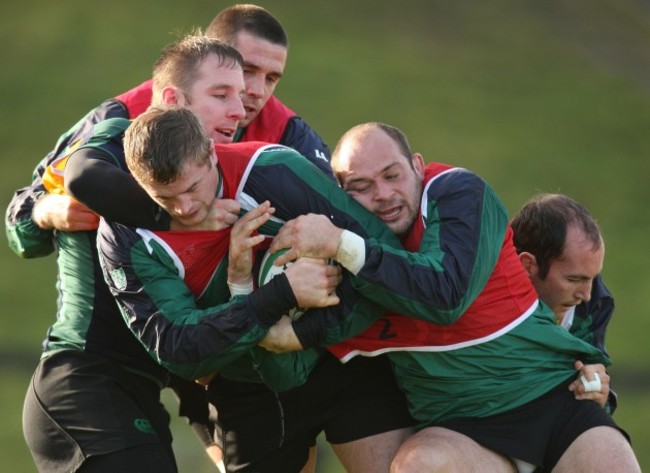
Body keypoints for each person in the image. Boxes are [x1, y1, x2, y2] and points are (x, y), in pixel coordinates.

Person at [264, 122, 640, 472]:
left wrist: (597, 381)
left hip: (555, 406)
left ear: (417, 166)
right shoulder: (343, 267)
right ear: (341, 196)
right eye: (360, 187)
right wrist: (256, 305)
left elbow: (444, 297)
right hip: (461, 429)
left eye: (392, 175)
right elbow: (286, 368)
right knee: (416, 466)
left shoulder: (458, 193)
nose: (382, 195)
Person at [90, 106, 414, 472]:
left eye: (193, 187)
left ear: (211, 152)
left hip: (342, 358)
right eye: (164, 199)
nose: (184, 207)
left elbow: (386, 264)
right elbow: (179, 348)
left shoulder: (270, 170)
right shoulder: (125, 236)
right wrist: (272, 295)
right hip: (245, 389)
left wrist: (302, 333)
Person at [14, 36, 248, 473]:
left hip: (139, 388)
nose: (241, 108)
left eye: (243, 93)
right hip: (82, 379)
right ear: (173, 99)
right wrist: (181, 219)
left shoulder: (224, 163)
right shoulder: (122, 133)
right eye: (222, 95)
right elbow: (81, 178)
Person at [511, 193, 617, 412]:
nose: (586, 294)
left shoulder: (596, 303)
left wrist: (599, 394)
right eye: (574, 279)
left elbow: (596, 373)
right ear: (528, 265)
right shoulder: (480, 299)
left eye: (593, 277)